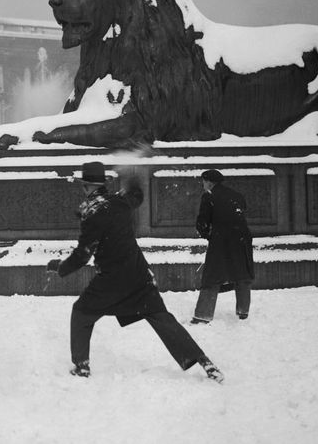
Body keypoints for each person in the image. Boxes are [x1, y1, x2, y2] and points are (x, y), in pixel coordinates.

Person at [46, 162, 224, 383]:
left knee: (81, 313)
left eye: (83, 186)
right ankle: (204, 361)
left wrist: (59, 267)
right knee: (162, 319)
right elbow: (137, 196)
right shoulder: (119, 202)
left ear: (88, 187)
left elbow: (83, 255)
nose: (82, 190)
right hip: (139, 274)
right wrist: (129, 174)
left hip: (112, 280)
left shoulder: (92, 213)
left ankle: (81, 367)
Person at [191, 169, 255, 324]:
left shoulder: (209, 196)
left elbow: (202, 223)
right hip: (241, 239)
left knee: (212, 276)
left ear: (209, 182)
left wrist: (210, 236)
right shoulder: (237, 195)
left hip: (221, 240)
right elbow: (241, 214)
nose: (203, 185)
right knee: (242, 274)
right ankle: (243, 311)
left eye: (204, 182)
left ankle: (203, 315)